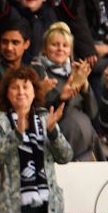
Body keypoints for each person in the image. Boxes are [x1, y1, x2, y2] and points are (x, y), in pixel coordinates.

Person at [0, 66, 73, 213]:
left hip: (47, 208)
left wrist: (53, 132)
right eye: (15, 88)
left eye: (25, 87)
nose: (21, 92)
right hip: (7, 210)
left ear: (34, 91)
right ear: (7, 93)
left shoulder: (45, 119)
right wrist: (16, 134)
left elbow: (66, 156)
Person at [35, 22, 102, 161]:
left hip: (88, 145)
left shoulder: (76, 72)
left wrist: (84, 86)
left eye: (65, 45)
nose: (60, 49)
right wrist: (64, 96)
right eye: (54, 44)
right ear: (44, 48)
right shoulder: (37, 71)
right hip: (59, 142)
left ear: (70, 50)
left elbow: (93, 113)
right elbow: (44, 113)